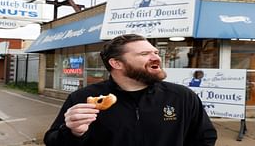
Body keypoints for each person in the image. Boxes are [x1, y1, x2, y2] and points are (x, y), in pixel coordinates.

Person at [43, 34, 217, 146]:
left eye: (155, 52)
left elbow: (205, 137)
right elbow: (52, 141)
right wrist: (73, 132)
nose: (156, 57)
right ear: (116, 63)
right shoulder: (83, 98)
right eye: (144, 54)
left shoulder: (181, 96)